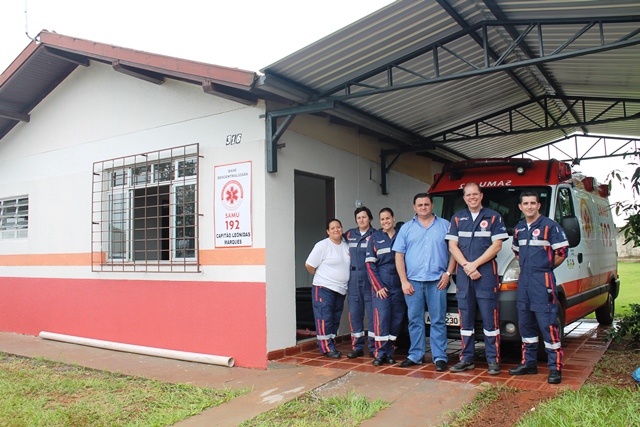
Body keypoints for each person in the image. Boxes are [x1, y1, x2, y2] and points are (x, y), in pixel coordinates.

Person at [446, 183, 508, 375]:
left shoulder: (493, 217)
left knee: (490, 320)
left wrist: (474, 265)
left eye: (475, 194)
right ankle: (466, 359)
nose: (472, 197)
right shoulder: (457, 218)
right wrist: (466, 265)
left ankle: (493, 360)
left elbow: (496, 246)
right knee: (465, 319)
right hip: (464, 276)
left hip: (486, 274)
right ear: (464, 198)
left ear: (481, 196)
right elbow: (452, 247)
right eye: (468, 195)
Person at [509, 190, 568, 384]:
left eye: (532, 203)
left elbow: (561, 252)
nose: (529, 206)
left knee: (548, 324)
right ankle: (529, 363)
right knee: (525, 324)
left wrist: (545, 267)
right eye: (525, 203)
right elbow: (516, 252)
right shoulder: (518, 229)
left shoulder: (550, 226)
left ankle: (555, 367)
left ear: (538, 205)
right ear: (520, 207)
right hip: (524, 280)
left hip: (543, 280)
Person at [393, 193, 456, 370]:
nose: (423, 207)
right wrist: (404, 281)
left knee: (438, 320)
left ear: (432, 205)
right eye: (419, 205)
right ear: (414, 207)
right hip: (413, 282)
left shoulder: (445, 226)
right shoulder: (406, 228)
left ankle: (440, 357)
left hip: (438, 281)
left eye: (426, 204)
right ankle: (415, 355)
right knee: (414, 320)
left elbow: (454, 251)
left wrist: (448, 273)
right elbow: (399, 256)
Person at [365, 208, 407, 366]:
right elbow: (370, 266)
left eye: (388, 218)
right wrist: (378, 287)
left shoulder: (401, 235)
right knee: (381, 320)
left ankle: (390, 351)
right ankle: (379, 353)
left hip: (398, 285)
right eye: (382, 219)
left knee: (396, 320)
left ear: (393, 218)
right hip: (381, 286)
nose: (385, 222)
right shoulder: (374, 238)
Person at [305, 218, 351, 358]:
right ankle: (326, 348)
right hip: (324, 287)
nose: (336, 230)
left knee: (335, 318)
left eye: (338, 227)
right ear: (328, 231)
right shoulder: (322, 245)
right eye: (332, 228)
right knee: (324, 318)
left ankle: (331, 344)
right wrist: (322, 277)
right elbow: (309, 265)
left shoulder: (345, 245)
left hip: (341, 289)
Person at [345, 206, 376, 358]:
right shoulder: (350, 234)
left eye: (364, 217)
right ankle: (357, 347)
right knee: (355, 314)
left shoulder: (376, 235)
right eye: (359, 218)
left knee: (372, 315)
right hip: (353, 280)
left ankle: (373, 346)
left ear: (369, 218)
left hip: (370, 280)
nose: (361, 220)